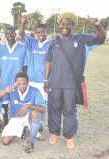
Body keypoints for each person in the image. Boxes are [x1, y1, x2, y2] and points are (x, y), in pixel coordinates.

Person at [44, 12, 106, 149]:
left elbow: (101, 39)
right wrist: (46, 80)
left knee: (69, 110)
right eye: (63, 23)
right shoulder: (54, 42)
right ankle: (54, 133)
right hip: (54, 83)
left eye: (68, 23)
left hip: (71, 85)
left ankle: (69, 136)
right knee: (54, 109)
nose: (65, 26)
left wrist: (97, 25)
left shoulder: (82, 39)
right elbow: (48, 61)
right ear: (60, 25)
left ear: (73, 25)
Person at [0, 72, 46, 153]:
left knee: (35, 112)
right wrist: (6, 91)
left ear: (28, 82)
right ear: (15, 83)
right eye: (19, 84)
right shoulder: (12, 90)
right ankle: (21, 129)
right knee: (5, 141)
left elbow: (43, 109)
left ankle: (31, 141)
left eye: (24, 83)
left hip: (30, 117)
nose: (22, 86)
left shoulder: (34, 90)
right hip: (17, 117)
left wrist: (28, 106)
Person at [19, 15, 51, 132]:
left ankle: (39, 123)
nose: (41, 34)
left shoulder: (50, 44)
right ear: (35, 33)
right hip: (31, 80)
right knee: (30, 102)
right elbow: (22, 34)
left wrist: (47, 80)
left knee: (41, 104)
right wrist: (23, 22)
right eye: (38, 32)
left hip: (44, 81)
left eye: (43, 32)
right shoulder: (32, 42)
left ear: (46, 32)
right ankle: (28, 123)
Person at [0, 27, 27, 128]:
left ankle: (18, 124)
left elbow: (24, 66)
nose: (9, 35)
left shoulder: (22, 48)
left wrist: (25, 80)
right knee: (4, 103)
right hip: (4, 80)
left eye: (11, 33)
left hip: (17, 82)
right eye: (7, 34)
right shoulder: (2, 48)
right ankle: (5, 122)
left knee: (17, 104)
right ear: (5, 36)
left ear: (15, 34)